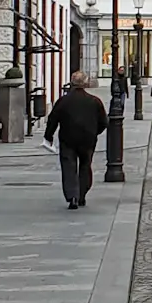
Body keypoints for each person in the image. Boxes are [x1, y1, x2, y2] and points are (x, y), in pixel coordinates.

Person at [44, 72, 109, 210]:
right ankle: (82, 194)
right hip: (88, 139)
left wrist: (48, 136)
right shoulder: (94, 101)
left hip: (68, 138)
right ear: (85, 83)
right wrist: (94, 132)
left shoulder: (63, 101)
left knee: (69, 166)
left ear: (72, 83)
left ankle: (72, 195)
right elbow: (104, 121)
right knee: (85, 165)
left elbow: (52, 119)